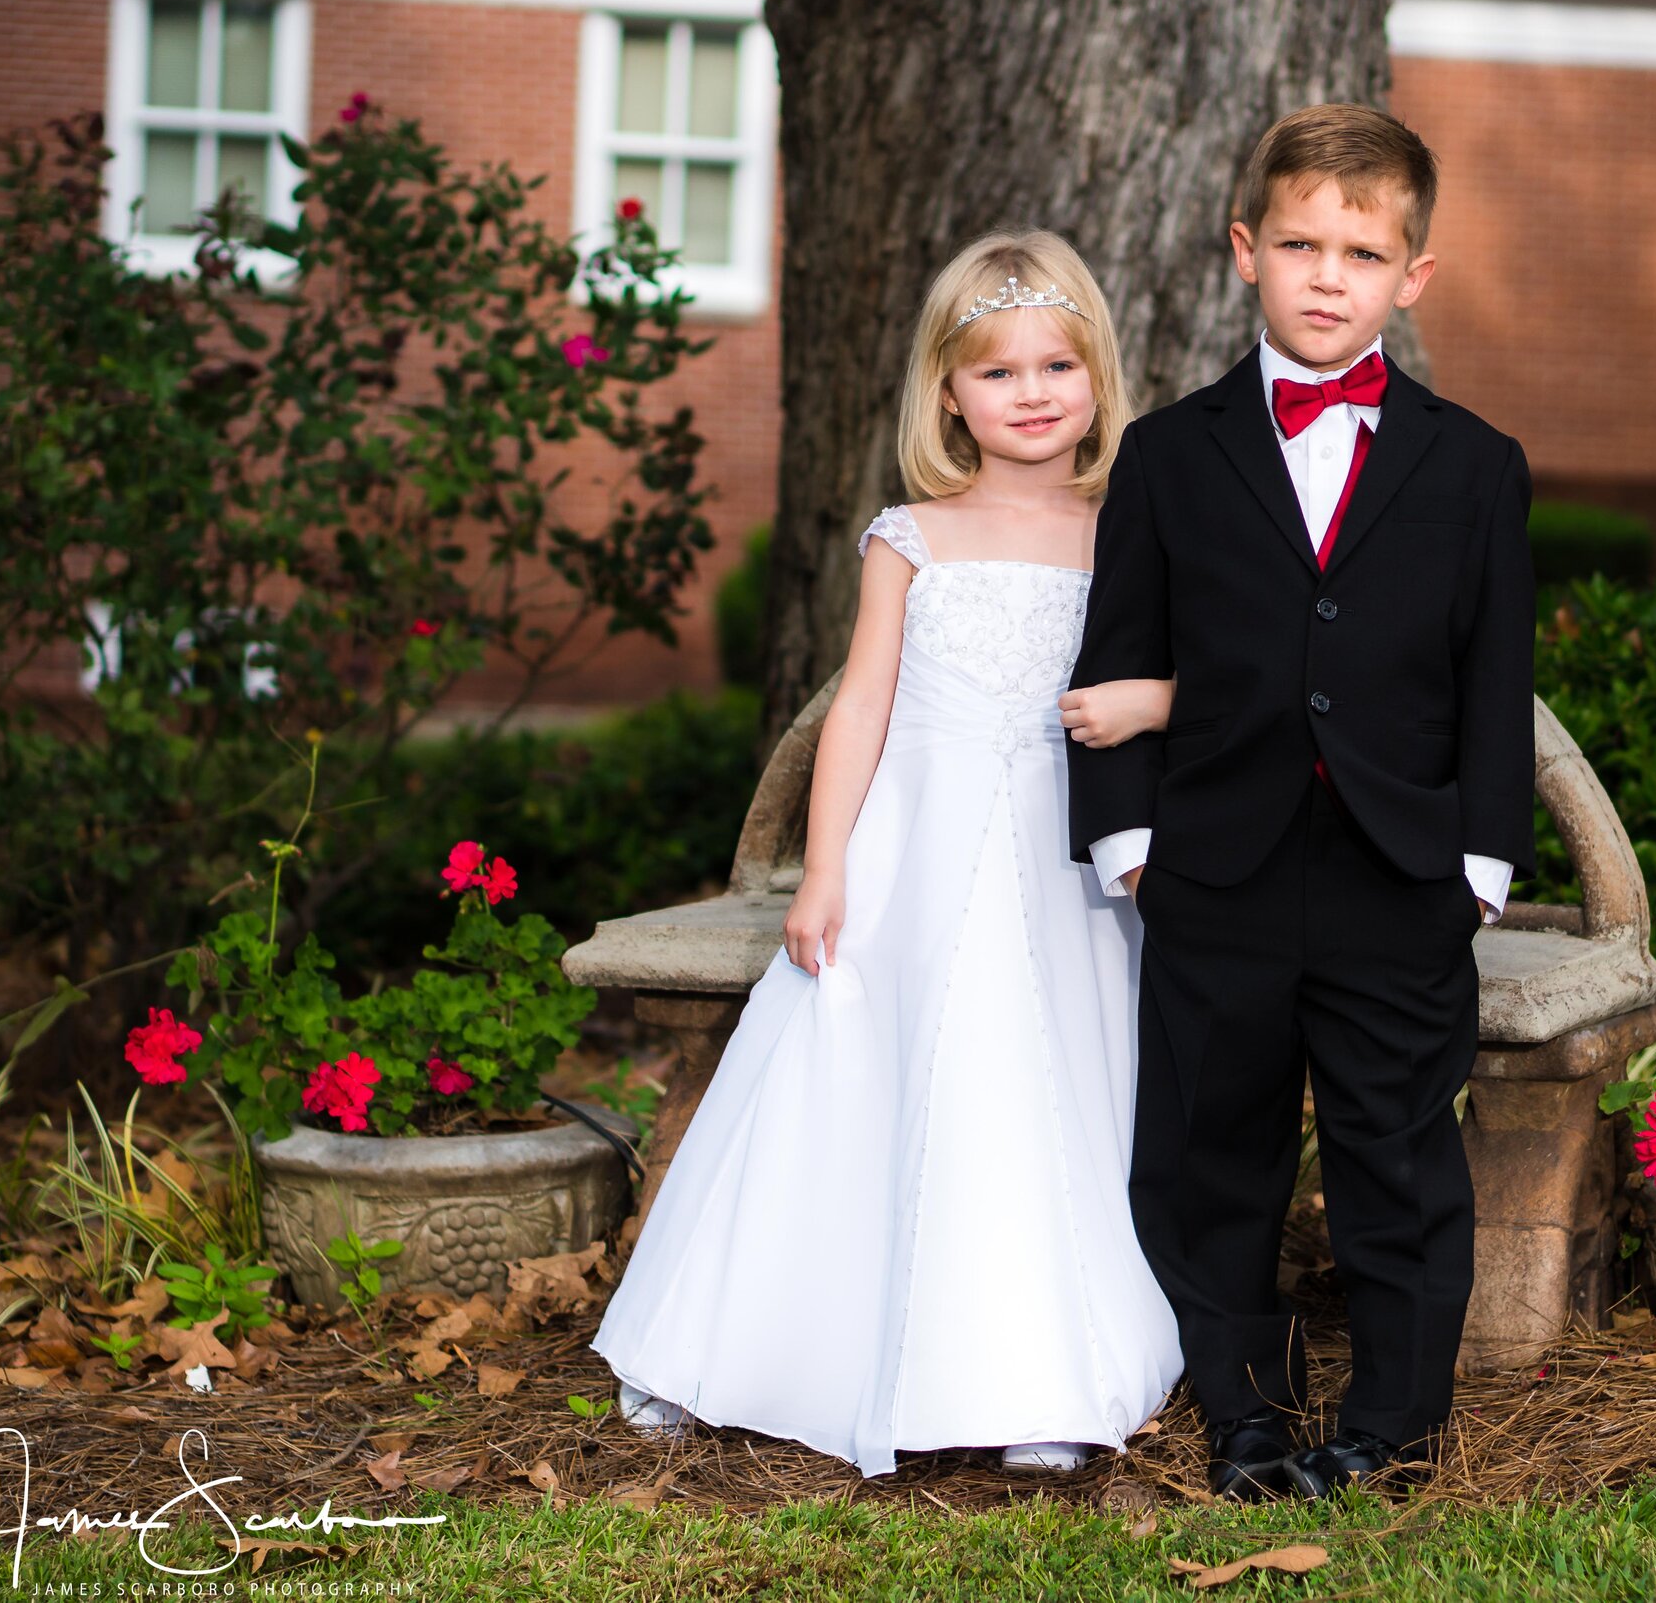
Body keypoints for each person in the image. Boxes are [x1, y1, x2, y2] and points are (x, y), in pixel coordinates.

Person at [592, 229, 1184, 1478]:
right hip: (917, 850)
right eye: (997, 371)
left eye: (1056, 364)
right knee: (879, 1076)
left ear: (1097, 375)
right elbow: (861, 706)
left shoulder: (1133, 527)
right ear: (948, 394)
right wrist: (824, 869)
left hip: (1066, 863)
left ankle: (1038, 1370)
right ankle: (780, 1344)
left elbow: (1198, 681)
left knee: (1045, 1092)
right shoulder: (909, 534)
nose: (1031, 393)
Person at [1066, 104, 1536, 1500]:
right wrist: (1136, 846)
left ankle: (1392, 1420)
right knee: (1215, 1155)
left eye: (1363, 251)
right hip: (1216, 867)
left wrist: (1482, 869)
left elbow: (1491, 677)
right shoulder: (1168, 455)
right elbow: (1118, 661)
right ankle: (1250, 1413)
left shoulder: (1475, 466)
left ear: (1414, 277)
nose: (1328, 275)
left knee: (1398, 1155)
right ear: (1244, 252)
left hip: (1400, 873)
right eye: (1299, 244)